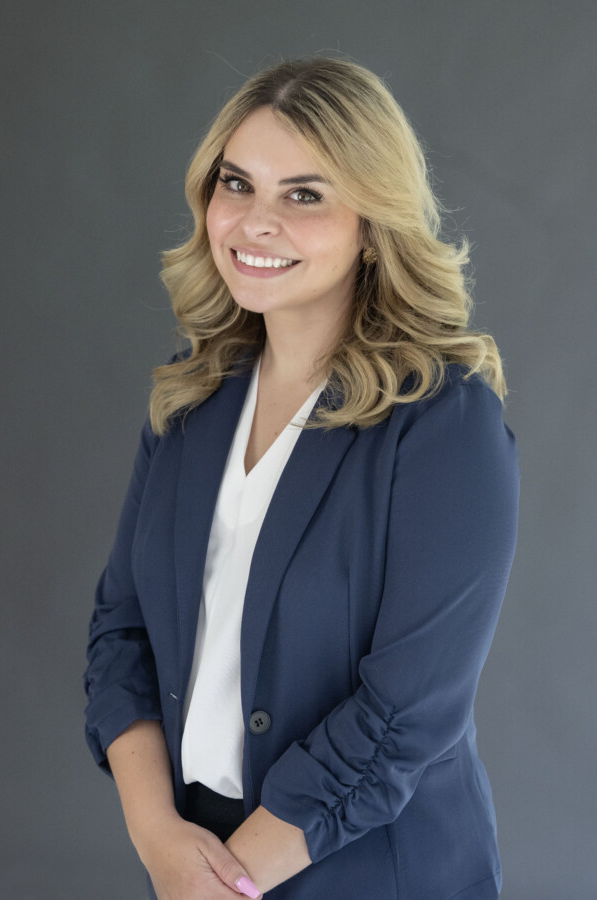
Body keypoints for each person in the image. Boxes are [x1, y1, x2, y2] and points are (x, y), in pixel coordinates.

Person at [83, 56, 520, 900]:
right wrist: (158, 839)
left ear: (373, 222)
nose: (254, 221)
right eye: (236, 184)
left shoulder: (443, 423)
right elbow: (119, 635)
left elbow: (405, 714)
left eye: (305, 195)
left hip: (371, 872)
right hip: (192, 865)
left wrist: (229, 881)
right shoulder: (192, 397)